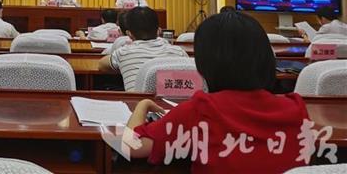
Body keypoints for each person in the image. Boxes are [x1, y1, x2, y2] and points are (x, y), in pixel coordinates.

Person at [126, 9, 309, 173]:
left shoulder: (202, 109)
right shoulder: (296, 108)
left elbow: (131, 145)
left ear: (206, 63)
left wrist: (143, 105)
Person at [98, 7, 187, 90]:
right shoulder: (179, 52)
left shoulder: (123, 52)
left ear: (129, 34)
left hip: (137, 102)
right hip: (172, 101)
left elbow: (101, 65)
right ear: (159, 31)